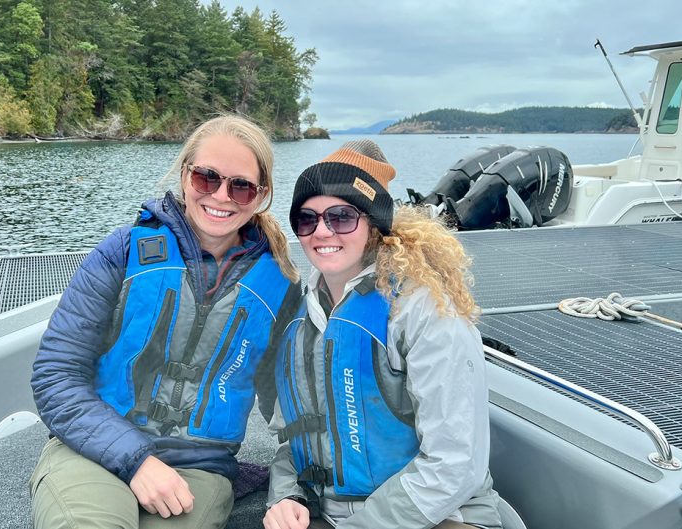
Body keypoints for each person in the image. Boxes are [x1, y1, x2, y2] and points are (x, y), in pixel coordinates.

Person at [29, 114, 301, 529]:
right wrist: (136, 460)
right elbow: (55, 375)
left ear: (261, 195)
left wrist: (292, 489)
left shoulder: (280, 286)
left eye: (241, 186)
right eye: (207, 178)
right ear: (185, 174)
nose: (222, 196)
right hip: (94, 449)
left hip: (200, 467)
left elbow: (292, 406)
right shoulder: (122, 251)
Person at [263, 140, 502, 529]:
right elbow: (296, 437)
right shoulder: (299, 315)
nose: (322, 231)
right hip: (333, 513)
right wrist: (287, 495)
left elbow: (455, 464)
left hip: (440, 517)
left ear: (373, 222)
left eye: (341, 217)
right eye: (307, 219)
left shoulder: (424, 310)